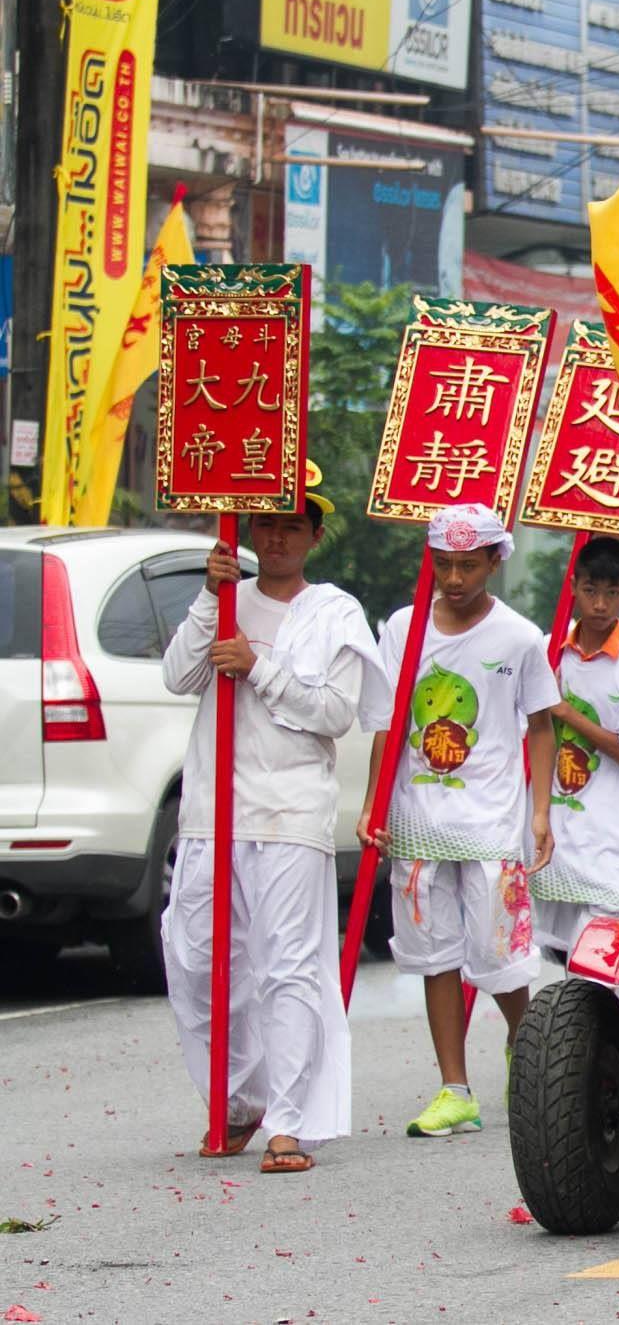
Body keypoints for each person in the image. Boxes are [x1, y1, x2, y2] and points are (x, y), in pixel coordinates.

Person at [161, 482, 386, 1174]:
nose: (278, 537)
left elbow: (336, 712)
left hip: (290, 811)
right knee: (191, 953)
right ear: (251, 530)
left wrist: (261, 669)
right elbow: (177, 676)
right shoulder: (226, 600)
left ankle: (288, 1121)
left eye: (293, 526)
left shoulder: (335, 612)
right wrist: (208, 596)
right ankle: (239, 1096)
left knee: (286, 965)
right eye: (267, 524)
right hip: (211, 808)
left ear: (315, 536)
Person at [359, 504, 558, 1139]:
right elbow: (388, 724)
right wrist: (373, 804)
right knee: (434, 957)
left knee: (499, 959)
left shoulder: (521, 639)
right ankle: (455, 1089)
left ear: (495, 561)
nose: (453, 578)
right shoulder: (403, 629)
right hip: (417, 822)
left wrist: (541, 813)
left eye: (467, 566)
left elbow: (542, 725)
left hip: (491, 826)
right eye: (442, 564)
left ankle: (529, 1057)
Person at [531, 537, 619, 956]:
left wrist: (565, 711)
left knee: (604, 961)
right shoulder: (547, 650)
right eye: (591, 591)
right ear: (573, 586)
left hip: (617, 842)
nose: (599, 604)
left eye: (612, 593)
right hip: (561, 836)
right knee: (564, 959)